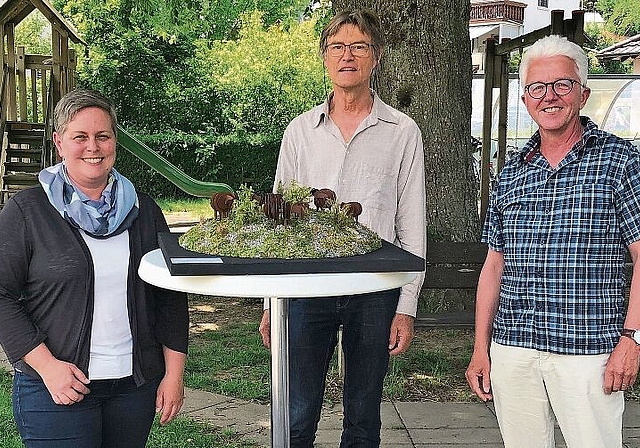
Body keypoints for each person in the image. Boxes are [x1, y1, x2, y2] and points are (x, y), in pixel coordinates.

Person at [258, 9, 426, 448]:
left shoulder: (402, 131)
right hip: (305, 286)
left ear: (376, 57)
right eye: (337, 47)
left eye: (359, 46)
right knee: (295, 415)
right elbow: (278, 221)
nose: (347, 55)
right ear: (324, 57)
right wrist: (269, 302)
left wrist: (406, 304)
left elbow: (411, 221)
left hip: (375, 289)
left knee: (363, 416)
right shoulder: (300, 132)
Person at [465, 35, 640, 448]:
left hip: (589, 351)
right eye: (537, 88)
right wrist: (480, 347)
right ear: (525, 100)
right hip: (513, 347)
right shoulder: (511, 172)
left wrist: (632, 340)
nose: (550, 97)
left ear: (581, 94)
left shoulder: (621, 161)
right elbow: (494, 264)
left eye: (561, 84)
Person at [0, 88, 189, 447]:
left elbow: (170, 296)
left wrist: (174, 375)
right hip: (57, 389)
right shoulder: (28, 211)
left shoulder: (144, 211)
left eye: (103, 136)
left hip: (134, 389)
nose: (93, 147)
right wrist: (47, 367)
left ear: (114, 141)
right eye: (80, 137)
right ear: (59, 143)